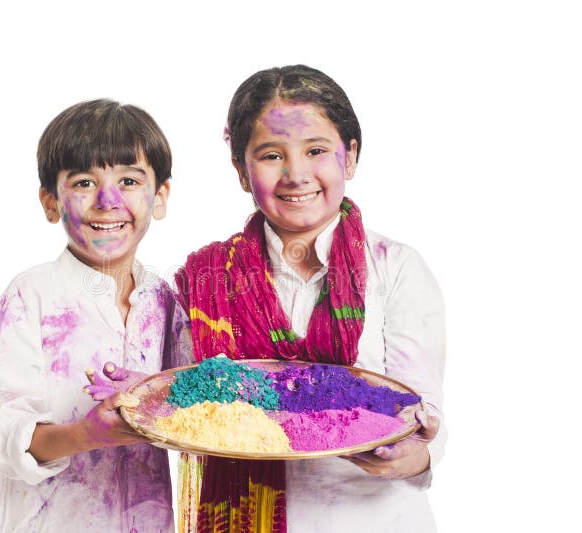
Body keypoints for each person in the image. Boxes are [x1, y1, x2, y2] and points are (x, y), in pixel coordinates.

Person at [174, 65, 446, 532]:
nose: (296, 174)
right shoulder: (205, 282)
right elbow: (182, 402)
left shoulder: (395, 267)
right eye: (271, 155)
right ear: (241, 170)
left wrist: (407, 454)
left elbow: (423, 420)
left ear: (351, 157)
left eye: (316, 150)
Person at [0, 98, 190, 532]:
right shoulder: (30, 296)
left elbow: (191, 407)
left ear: (160, 196)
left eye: (129, 180)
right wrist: (86, 435)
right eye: (84, 183)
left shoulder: (167, 303)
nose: (107, 200)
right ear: (51, 201)